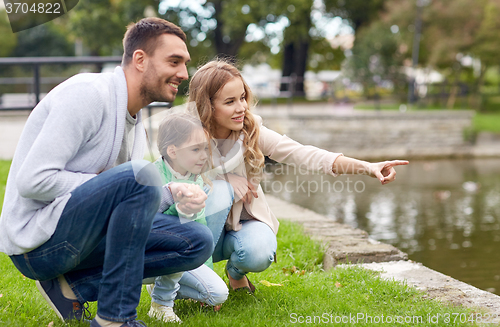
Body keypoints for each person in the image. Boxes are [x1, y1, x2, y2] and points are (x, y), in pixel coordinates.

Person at [0, 18, 215, 327]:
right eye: (174, 61)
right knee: (140, 175)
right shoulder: (87, 95)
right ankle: (114, 319)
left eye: (185, 63)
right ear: (140, 59)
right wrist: (118, 182)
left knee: (197, 240)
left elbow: (122, 203)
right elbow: (33, 180)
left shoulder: (133, 116)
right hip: (37, 244)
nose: (183, 73)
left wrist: (169, 194)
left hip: (80, 237)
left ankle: (72, 288)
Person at [188, 59, 409, 292]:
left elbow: (302, 154)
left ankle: (235, 272)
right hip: (199, 229)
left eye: (242, 97)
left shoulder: (250, 131)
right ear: (208, 106)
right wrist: (226, 181)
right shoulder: (187, 136)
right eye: (230, 101)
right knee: (219, 191)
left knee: (259, 252)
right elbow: (173, 181)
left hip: (239, 227)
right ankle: (199, 280)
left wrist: (367, 167)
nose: (242, 107)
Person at [147, 113, 228, 323]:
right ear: (172, 151)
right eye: (196, 149)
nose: (204, 156)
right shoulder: (152, 176)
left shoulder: (196, 179)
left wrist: (206, 269)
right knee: (178, 239)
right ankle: (161, 303)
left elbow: (201, 230)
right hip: (153, 251)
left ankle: (169, 287)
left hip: (185, 249)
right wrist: (179, 208)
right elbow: (150, 219)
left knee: (218, 293)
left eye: (205, 148)